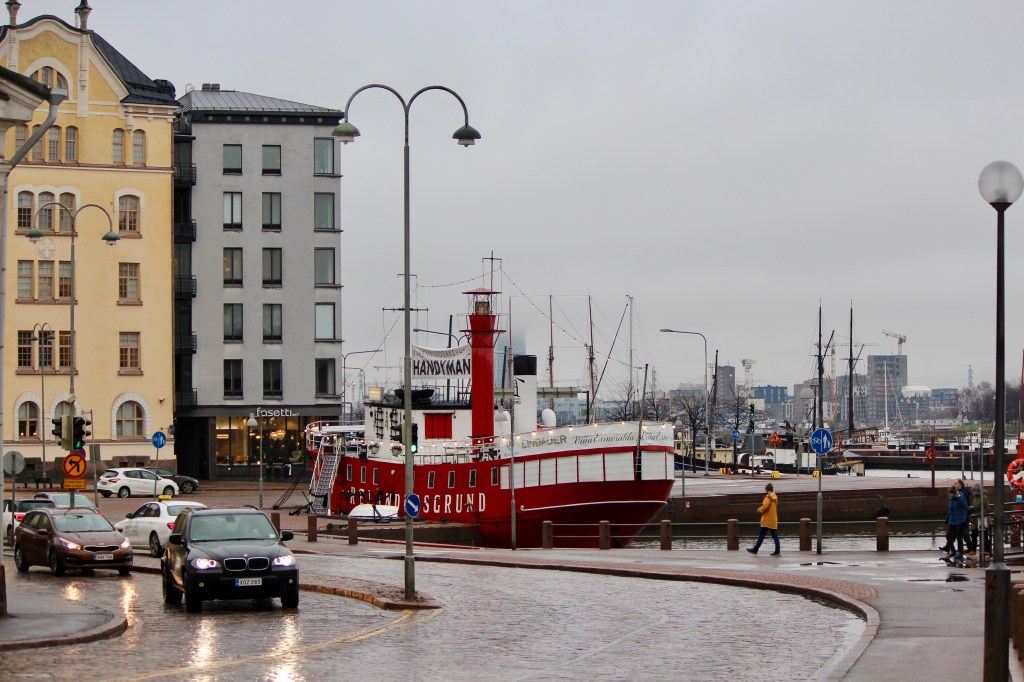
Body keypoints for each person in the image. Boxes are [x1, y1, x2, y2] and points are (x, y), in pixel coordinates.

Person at [747, 482, 780, 556]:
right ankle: (777, 551)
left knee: (761, 535)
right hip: (773, 519)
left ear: (767, 490)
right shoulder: (775, 497)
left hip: (767, 520)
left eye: (766, 490)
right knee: (775, 535)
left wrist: (759, 510)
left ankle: (755, 549)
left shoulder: (768, 498)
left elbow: (765, 506)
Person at [943, 485, 970, 560]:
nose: (950, 496)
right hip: (951, 520)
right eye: (949, 494)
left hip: (959, 521)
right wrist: (947, 518)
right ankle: (953, 551)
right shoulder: (951, 499)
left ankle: (960, 553)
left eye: (951, 495)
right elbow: (950, 510)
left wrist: (963, 520)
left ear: (955, 493)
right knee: (948, 535)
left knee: (959, 538)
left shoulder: (961, 499)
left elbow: (965, 510)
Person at [966, 482, 990, 557]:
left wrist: (981, 512)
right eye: (973, 491)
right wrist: (971, 509)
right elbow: (976, 506)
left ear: (978, 491)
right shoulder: (976, 497)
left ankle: (987, 551)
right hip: (976, 519)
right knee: (974, 534)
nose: (973, 493)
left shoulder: (984, 497)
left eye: (975, 491)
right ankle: (973, 550)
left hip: (983, 519)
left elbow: (987, 508)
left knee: (984, 535)